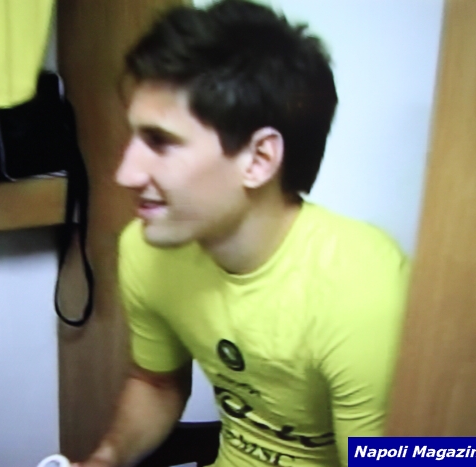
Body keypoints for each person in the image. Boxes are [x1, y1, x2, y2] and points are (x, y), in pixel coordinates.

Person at [76, 1, 409, 466]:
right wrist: (107, 457)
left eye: (161, 142)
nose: (126, 173)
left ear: (259, 159)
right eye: (134, 138)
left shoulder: (364, 288)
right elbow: (156, 382)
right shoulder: (146, 247)